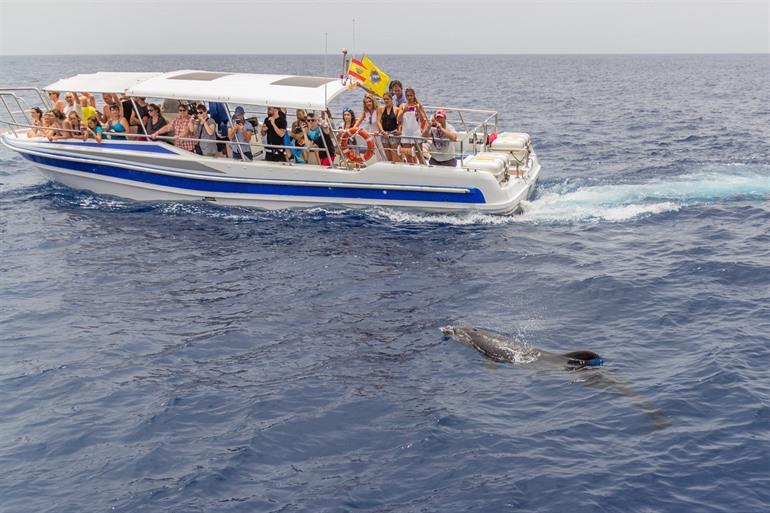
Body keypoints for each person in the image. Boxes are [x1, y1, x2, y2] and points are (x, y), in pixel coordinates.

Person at [396, 87, 428, 164]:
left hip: (416, 133)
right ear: (406, 96)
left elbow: (423, 119)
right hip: (405, 133)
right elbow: (398, 120)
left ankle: (423, 171)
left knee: (419, 155)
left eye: (411, 95)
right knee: (408, 157)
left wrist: (419, 111)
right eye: (408, 96)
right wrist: (404, 111)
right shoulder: (402, 106)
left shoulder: (418, 105)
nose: (409, 97)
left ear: (414, 96)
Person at [378, 93, 400, 162]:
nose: (386, 101)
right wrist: (382, 131)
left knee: (395, 155)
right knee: (388, 155)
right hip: (384, 134)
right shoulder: (381, 109)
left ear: (391, 99)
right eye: (384, 99)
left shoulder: (397, 109)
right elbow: (378, 121)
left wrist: (399, 131)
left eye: (387, 99)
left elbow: (400, 122)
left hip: (393, 134)